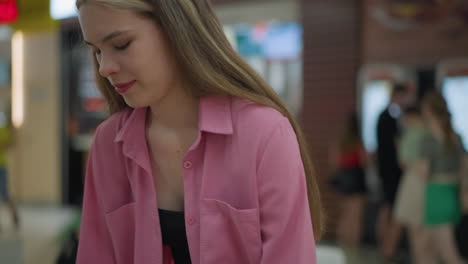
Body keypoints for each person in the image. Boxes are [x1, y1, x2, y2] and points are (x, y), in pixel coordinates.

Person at [75, 1, 324, 263]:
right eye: (97, 52)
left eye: (121, 44)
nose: (104, 68)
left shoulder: (264, 134)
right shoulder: (108, 143)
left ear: (176, 29)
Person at [417, 91, 467, 264]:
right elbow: (464, 167)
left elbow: (424, 173)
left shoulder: (428, 139)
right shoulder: (456, 137)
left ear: (428, 110)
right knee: (425, 246)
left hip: (436, 194)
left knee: (448, 253)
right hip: (451, 192)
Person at [376, 83, 408, 259]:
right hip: (391, 172)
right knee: (389, 208)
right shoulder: (389, 118)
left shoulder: (384, 116)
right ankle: (386, 246)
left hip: (386, 170)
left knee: (387, 207)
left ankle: (385, 244)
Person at [393, 105, 427, 264]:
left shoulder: (412, 133)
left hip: (413, 181)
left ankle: (418, 258)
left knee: (412, 225)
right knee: (423, 225)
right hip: (429, 183)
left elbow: (403, 161)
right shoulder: (429, 131)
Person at [329, 112, 367, 247]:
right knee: (356, 216)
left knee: (344, 215)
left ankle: (342, 243)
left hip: (343, 179)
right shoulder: (358, 142)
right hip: (356, 178)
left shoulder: (340, 141)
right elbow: (364, 161)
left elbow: (334, 162)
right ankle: (353, 245)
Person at [0, 115, 20, 232]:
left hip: (1, 166)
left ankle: (14, 214)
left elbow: (10, 143)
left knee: (5, 195)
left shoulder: (3, 130)